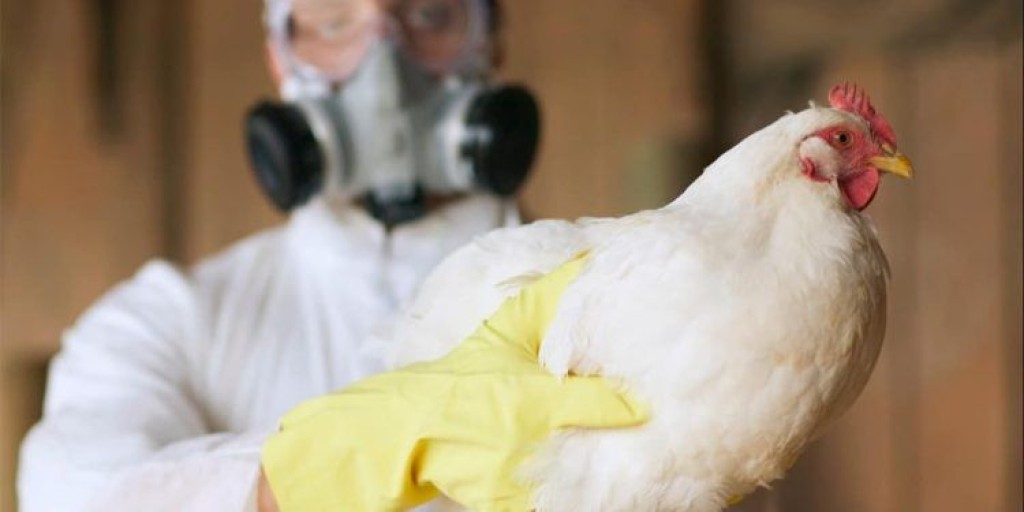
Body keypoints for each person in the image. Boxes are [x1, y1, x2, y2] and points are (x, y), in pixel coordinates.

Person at [18, 1, 642, 510]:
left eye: (430, 15)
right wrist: (318, 470)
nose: (384, 66)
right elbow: (77, 493)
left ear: (490, 39)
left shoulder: (626, 306)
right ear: (279, 57)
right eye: (334, 22)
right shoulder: (159, 324)